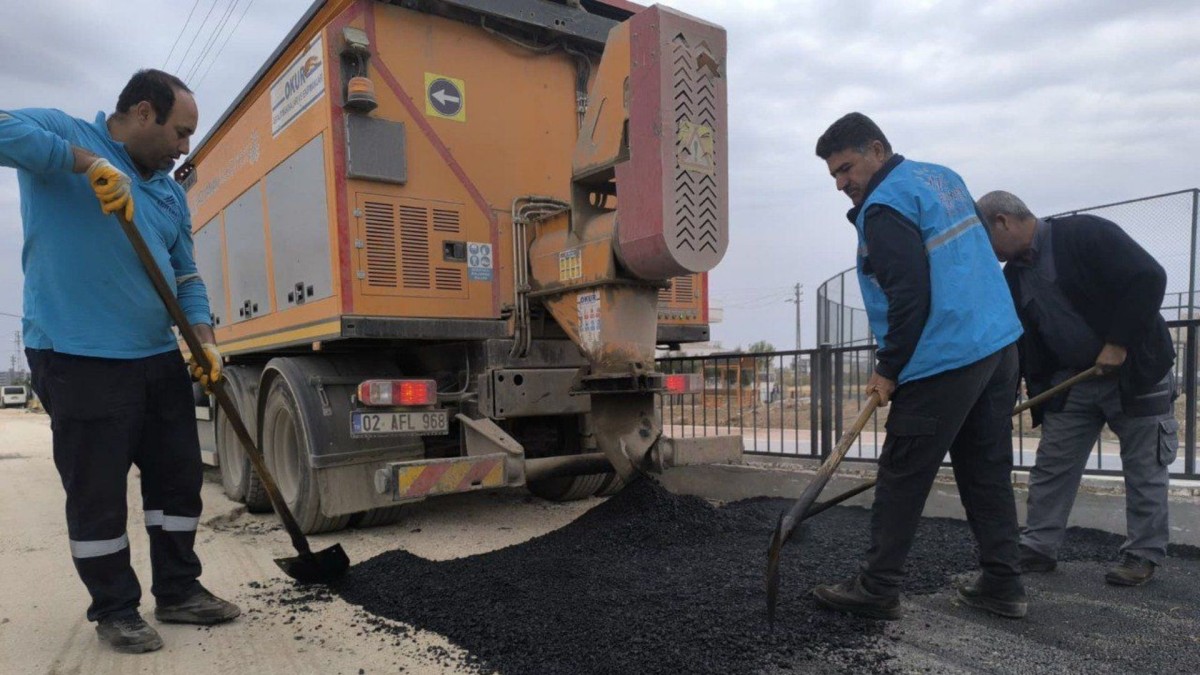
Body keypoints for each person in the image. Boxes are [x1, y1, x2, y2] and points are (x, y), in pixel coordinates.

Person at [0, 69, 238, 654]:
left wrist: (203, 341)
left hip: (157, 357)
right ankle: (115, 609)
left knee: (177, 482)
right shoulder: (63, 132)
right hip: (77, 355)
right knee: (98, 492)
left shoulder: (166, 192)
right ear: (140, 112)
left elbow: (186, 276)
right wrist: (88, 166)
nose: (185, 148)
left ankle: (180, 591)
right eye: (179, 132)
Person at [810, 113, 1027, 620]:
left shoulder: (884, 207)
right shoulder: (942, 178)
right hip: (996, 347)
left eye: (847, 169)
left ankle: (877, 587)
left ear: (878, 150)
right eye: (835, 177)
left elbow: (909, 295)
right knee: (985, 471)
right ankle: (1003, 584)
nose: (843, 184)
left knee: (902, 476)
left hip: (943, 357)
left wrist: (889, 367)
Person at [977, 190, 1176, 586]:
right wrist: (1012, 382)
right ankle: (1038, 546)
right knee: (1053, 464)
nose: (987, 251)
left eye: (985, 238)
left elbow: (1149, 277)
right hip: (1073, 381)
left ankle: (1142, 554)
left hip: (1137, 372)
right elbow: (1020, 336)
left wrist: (1118, 343)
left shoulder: (1083, 234)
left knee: (1144, 466)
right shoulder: (1013, 275)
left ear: (1003, 221)